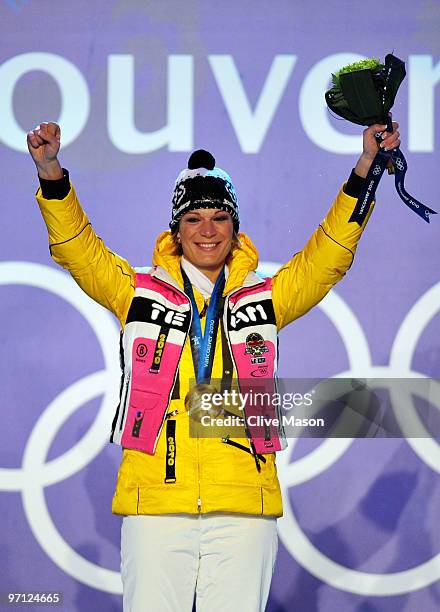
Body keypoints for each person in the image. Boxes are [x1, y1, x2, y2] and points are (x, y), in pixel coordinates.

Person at [28, 119, 400, 612]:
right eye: (194, 218)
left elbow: (327, 257)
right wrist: (50, 169)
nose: (207, 230)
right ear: (176, 231)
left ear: (235, 228)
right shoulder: (136, 292)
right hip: (155, 502)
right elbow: (78, 251)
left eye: (219, 217)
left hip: (243, 503)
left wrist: (366, 166)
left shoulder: (267, 297)